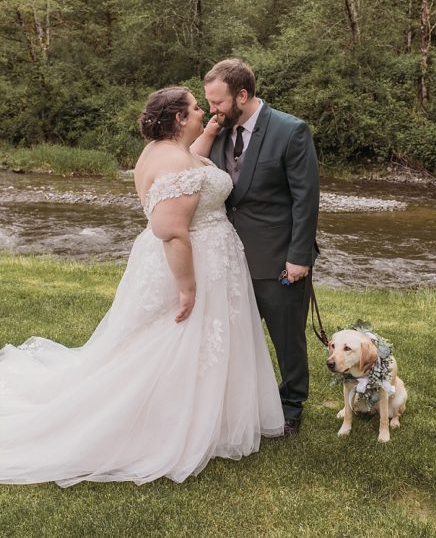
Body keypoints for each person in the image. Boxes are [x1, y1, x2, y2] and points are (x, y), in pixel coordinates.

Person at [0, 87, 284, 486]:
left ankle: (209, 414)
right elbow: (171, 231)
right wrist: (188, 288)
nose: (204, 111)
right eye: (197, 108)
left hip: (201, 257)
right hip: (190, 262)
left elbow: (195, 161)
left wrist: (214, 128)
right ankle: (164, 423)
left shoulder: (168, 151)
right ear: (180, 118)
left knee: (179, 340)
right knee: (176, 338)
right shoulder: (173, 164)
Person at [192, 59, 320, 436]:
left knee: (286, 336)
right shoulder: (219, 130)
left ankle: (292, 403)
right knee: (232, 336)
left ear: (242, 95)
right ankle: (239, 402)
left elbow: (306, 199)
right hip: (226, 256)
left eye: (217, 103)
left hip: (278, 257)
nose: (212, 111)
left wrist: (299, 256)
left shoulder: (290, 131)